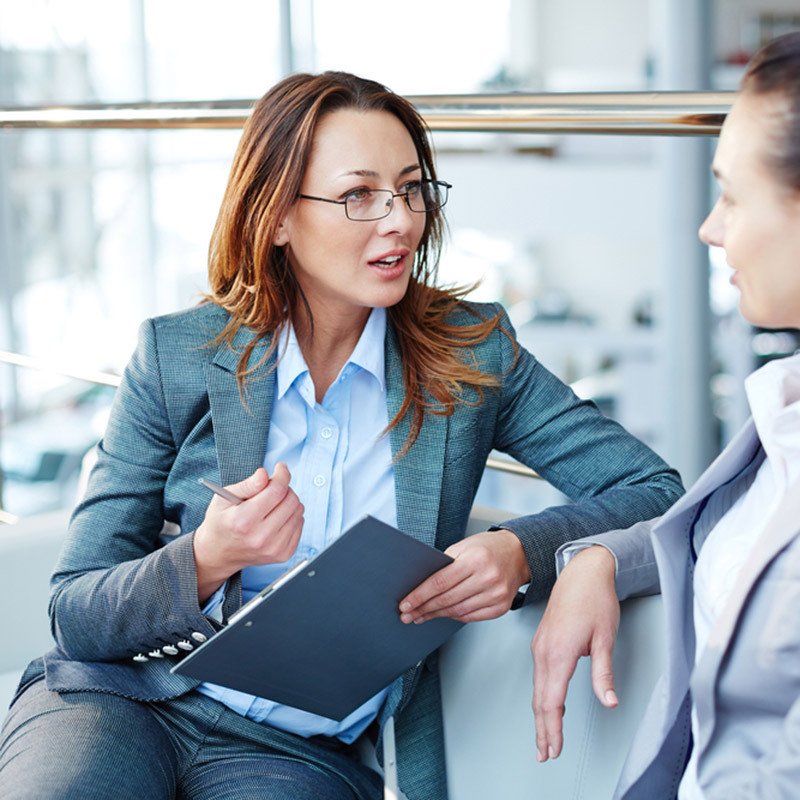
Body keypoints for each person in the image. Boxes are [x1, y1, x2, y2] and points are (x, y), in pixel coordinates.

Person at [0, 71, 682, 800]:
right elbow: (75, 612)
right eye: (359, 196)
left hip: (297, 751)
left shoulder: (474, 354)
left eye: (412, 189)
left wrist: (524, 552)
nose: (399, 220)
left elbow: (655, 489)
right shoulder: (177, 356)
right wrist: (207, 558)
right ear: (278, 217)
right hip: (123, 702)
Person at [530, 32, 800, 800]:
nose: (710, 228)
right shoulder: (782, 407)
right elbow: (737, 536)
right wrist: (602, 557)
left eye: (733, 195)